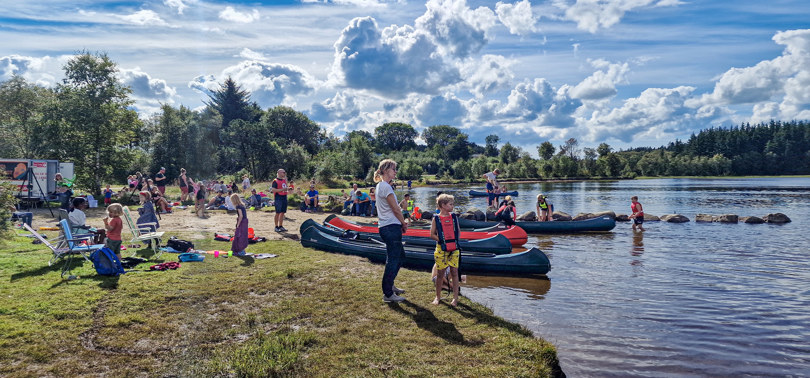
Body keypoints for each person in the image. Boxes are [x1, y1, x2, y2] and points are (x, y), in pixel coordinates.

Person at [375, 159, 408, 303]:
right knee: (394, 259)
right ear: (386, 170)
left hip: (386, 226)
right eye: (393, 169)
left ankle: (390, 285)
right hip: (391, 227)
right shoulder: (386, 187)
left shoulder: (381, 186)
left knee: (399, 257)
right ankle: (388, 294)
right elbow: (395, 208)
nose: (395, 172)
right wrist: (403, 222)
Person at [429, 193, 461, 306]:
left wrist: (453, 243)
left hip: (454, 249)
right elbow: (432, 234)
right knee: (440, 273)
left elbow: (458, 232)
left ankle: (455, 298)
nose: (452, 206)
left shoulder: (454, 217)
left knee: (455, 272)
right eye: (450, 204)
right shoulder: (436, 219)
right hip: (441, 249)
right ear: (443, 205)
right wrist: (442, 241)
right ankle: (437, 297)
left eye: (453, 204)